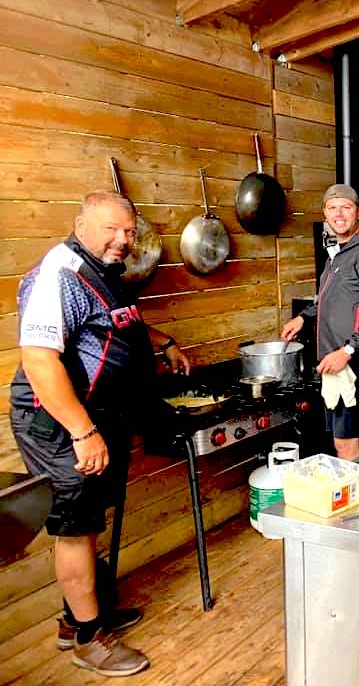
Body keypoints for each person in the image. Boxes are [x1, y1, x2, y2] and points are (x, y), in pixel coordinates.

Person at [10, 191, 190, 677]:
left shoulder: (103, 274)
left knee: (91, 518)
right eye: (112, 228)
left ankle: (80, 618)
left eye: (129, 231)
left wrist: (165, 343)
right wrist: (83, 431)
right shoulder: (59, 274)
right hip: (60, 423)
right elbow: (39, 360)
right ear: (81, 224)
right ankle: (89, 639)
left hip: (97, 418)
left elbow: (120, 326)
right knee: (76, 524)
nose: (123, 240)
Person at [281, 184, 359, 460]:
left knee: (345, 445)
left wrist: (347, 351)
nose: (339, 214)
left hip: (358, 364)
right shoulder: (340, 252)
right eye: (332, 208)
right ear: (325, 214)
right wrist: (304, 317)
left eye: (346, 207)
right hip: (339, 361)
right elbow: (336, 297)